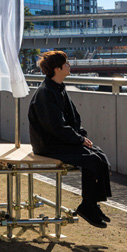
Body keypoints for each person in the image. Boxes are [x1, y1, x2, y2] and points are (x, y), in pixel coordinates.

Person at [28, 50, 113, 228]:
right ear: (57, 68)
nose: (69, 66)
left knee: (100, 157)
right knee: (91, 160)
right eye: (66, 63)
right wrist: (78, 140)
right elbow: (55, 126)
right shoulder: (46, 93)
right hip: (49, 145)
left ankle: (92, 204)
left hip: (61, 140)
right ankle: (88, 206)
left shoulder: (58, 88)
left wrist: (81, 136)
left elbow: (74, 119)